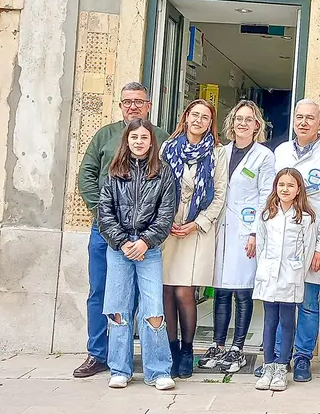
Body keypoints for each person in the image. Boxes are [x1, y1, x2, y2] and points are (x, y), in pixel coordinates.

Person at [75, 82, 169, 378]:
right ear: (120, 105)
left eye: (138, 101)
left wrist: (149, 234)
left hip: (145, 236)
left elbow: (168, 186)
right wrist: (103, 216)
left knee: (146, 297)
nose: (132, 106)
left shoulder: (162, 138)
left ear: (148, 105)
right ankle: (98, 354)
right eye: (127, 101)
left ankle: (138, 358)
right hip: (105, 230)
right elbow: (87, 175)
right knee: (103, 292)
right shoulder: (105, 135)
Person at [97, 118, 176, 390]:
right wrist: (121, 242)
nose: (139, 141)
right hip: (118, 248)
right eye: (134, 137)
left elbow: (166, 213)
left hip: (149, 249)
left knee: (153, 309)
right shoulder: (114, 171)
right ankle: (120, 369)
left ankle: (158, 370)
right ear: (127, 140)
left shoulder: (163, 172)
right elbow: (104, 211)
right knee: (118, 308)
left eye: (144, 137)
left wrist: (145, 241)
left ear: (151, 141)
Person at [271, 98, 320, 382]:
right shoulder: (280, 152)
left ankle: (302, 356)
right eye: (299, 117)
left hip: (313, 240)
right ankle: (279, 356)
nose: (303, 122)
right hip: (281, 241)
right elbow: (271, 198)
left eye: (309, 118)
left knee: (309, 303)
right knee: (280, 301)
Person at [201, 101, 275, 373]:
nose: (242, 124)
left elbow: (267, 195)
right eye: (238, 119)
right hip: (220, 229)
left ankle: (238, 348)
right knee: (220, 292)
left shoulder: (264, 157)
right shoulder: (220, 152)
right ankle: (218, 345)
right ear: (231, 123)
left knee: (242, 292)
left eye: (249, 119)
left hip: (247, 232)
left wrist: (256, 231)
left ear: (257, 125)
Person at [160, 99, 228, 379]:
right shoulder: (167, 148)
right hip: (167, 229)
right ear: (186, 118)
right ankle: (171, 350)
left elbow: (220, 194)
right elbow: (156, 184)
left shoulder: (217, 152)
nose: (199, 120)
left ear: (210, 123)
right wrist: (165, 222)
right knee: (165, 290)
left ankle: (188, 350)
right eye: (194, 115)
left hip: (196, 229)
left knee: (184, 292)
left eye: (205, 117)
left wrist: (195, 224)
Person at [253, 168, 317, 392]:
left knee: (288, 321)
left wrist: (299, 271)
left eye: (291, 185)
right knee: (270, 321)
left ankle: (282, 366)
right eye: (281, 185)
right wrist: (265, 267)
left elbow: (308, 249)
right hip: (269, 274)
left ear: (299, 189)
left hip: (292, 275)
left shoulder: (306, 218)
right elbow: (260, 246)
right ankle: (268, 364)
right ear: (275, 187)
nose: (285, 189)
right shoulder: (267, 214)